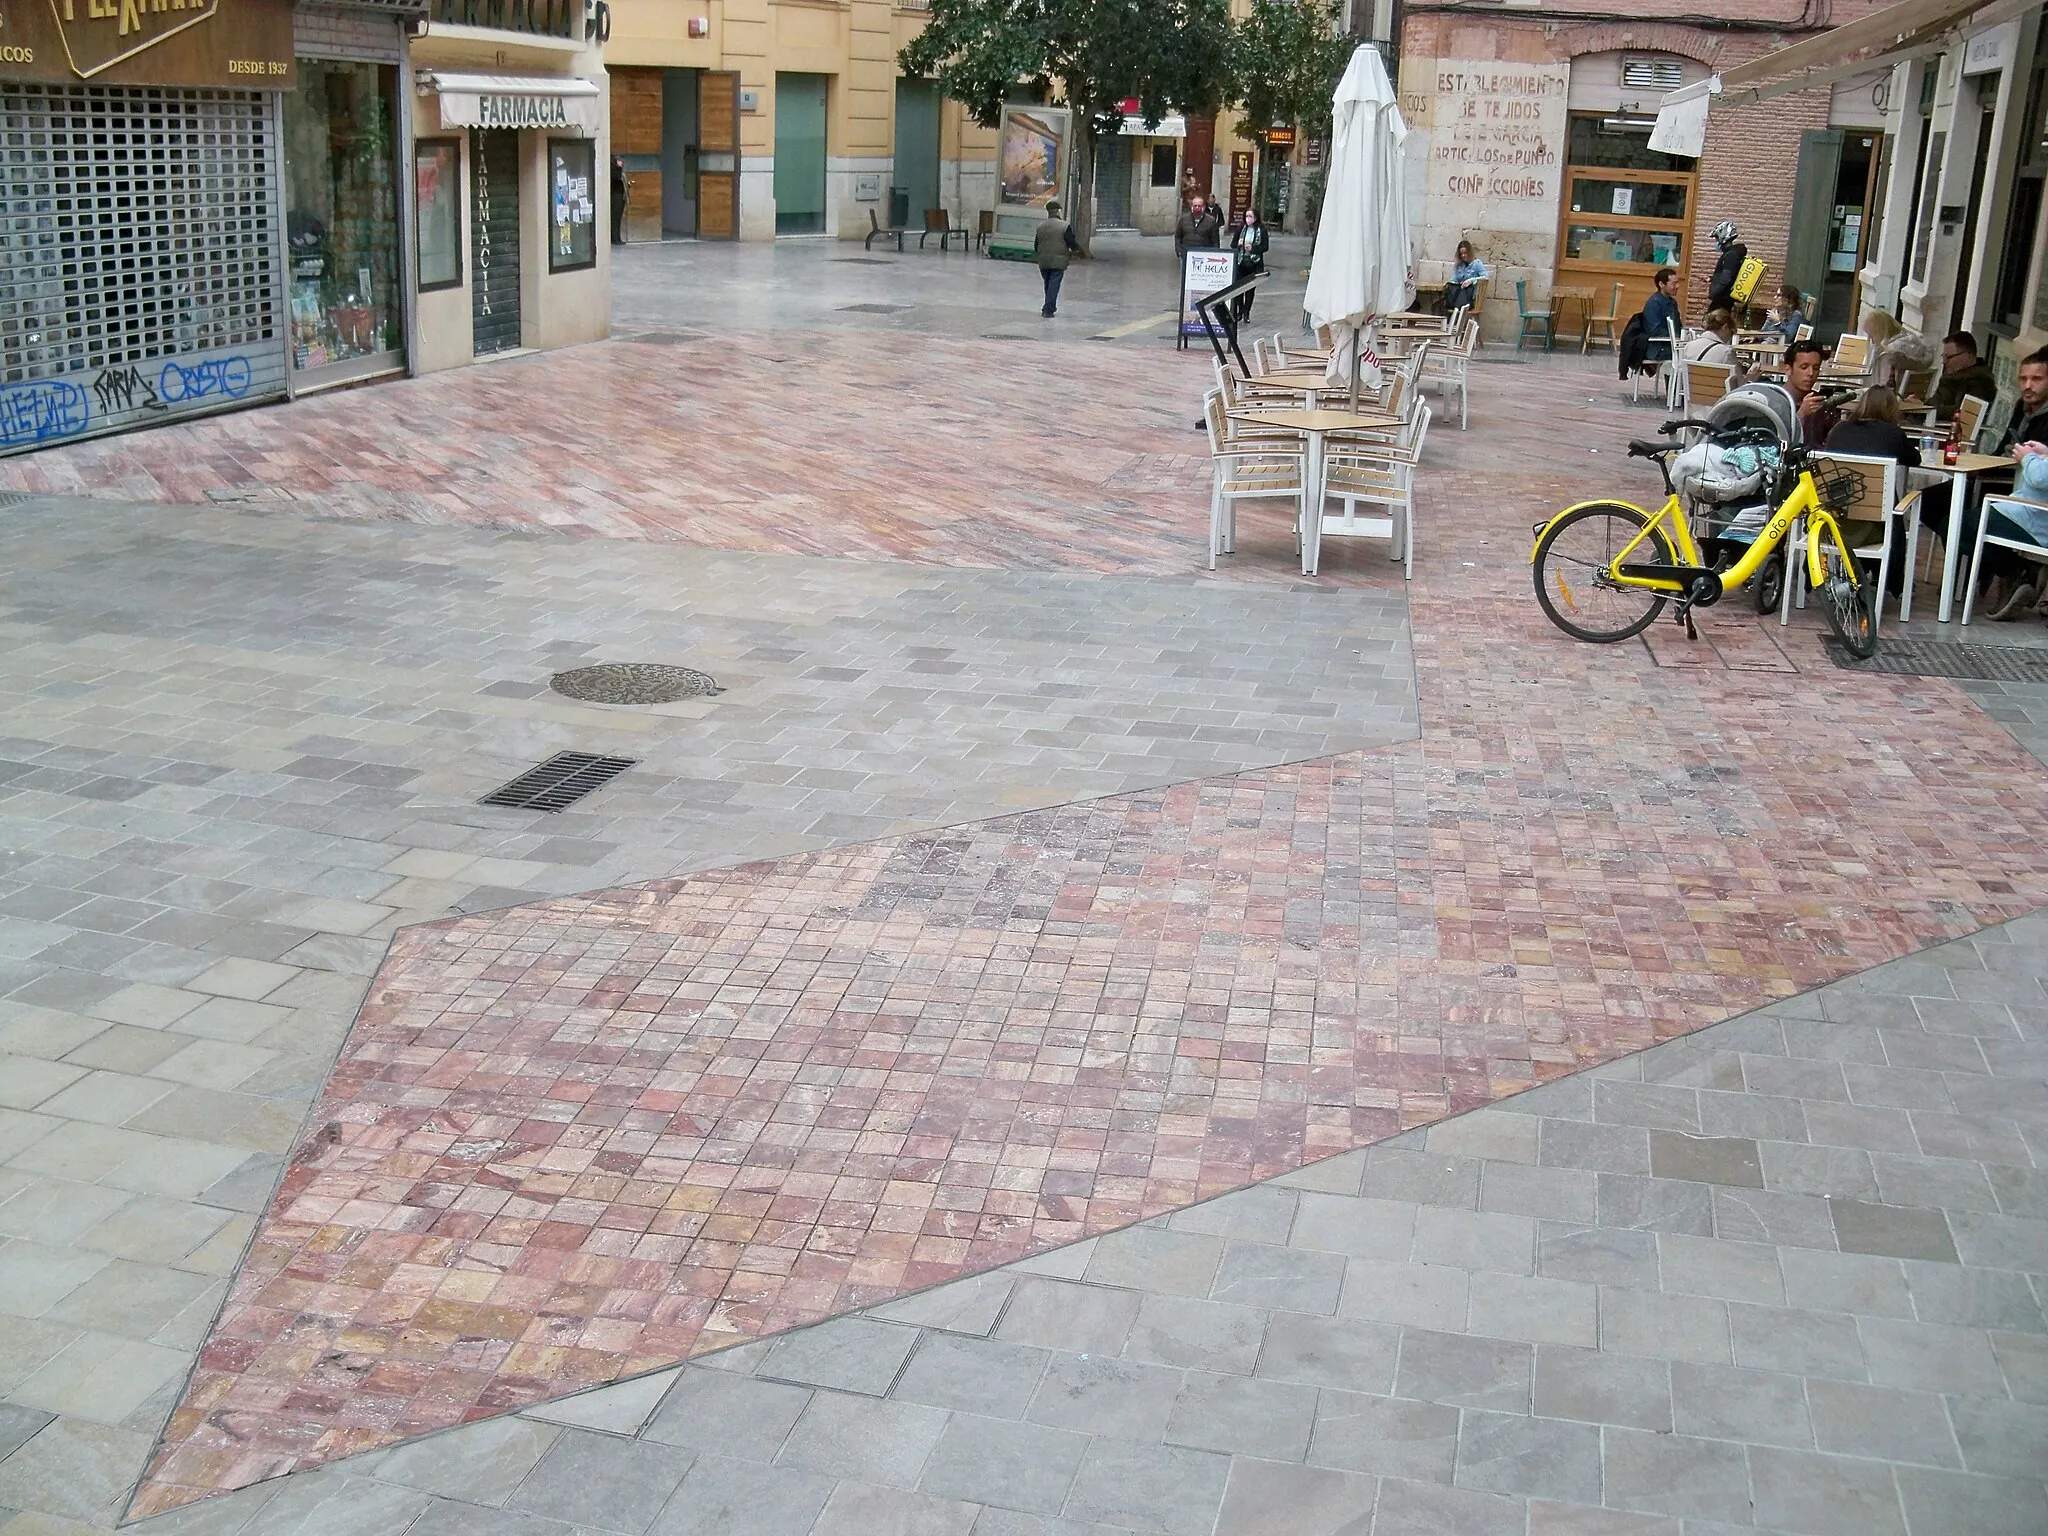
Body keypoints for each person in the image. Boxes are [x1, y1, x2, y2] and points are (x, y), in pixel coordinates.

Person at [1917, 330, 1999, 420]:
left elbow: (1961, 413)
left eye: (1949, 357)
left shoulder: (1979, 383)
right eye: (1943, 356)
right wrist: (1920, 405)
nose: (1944, 361)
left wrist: (1925, 407)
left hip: (1940, 427)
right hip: (1928, 419)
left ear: (1966, 356)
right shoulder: (1953, 374)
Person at [1784, 337, 1841, 444]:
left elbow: (1836, 440)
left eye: (1815, 368)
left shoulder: (1820, 403)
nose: (1810, 373)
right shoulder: (1776, 401)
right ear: (1788, 370)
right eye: (1804, 367)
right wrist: (1801, 414)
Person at [1034, 200, 1077, 317]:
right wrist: (1076, 251)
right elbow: (1071, 242)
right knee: (1054, 283)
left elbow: (1036, 245)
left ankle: (1049, 305)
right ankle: (1048, 308)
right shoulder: (1064, 226)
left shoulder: (1040, 226)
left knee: (1047, 283)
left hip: (1043, 260)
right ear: (1058, 211)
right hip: (1058, 260)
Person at [1229, 208, 1268, 321]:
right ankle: (1240, 310)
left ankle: (1247, 313)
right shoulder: (1241, 228)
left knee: (1250, 290)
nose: (1248, 219)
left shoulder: (1261, 230)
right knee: (1239, 289)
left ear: (1255, 218)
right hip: (1241, 262)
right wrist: (1238, 244)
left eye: (1250, 216)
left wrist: (1253, 248)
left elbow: (1265, 247)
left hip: (1254, 263)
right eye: (1246, 216)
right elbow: (1233, 245)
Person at [1705, 221, 1747, 313]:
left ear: (1723, 237)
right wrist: (1713, 279)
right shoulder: (1731, 254)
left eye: (1716, 238)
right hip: (1724, 300)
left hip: (1723, 301)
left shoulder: (1731, 255)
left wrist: (1714, 294)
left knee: (1714, 325)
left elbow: (1727, 278)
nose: (1716, 241)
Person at [1642, 267, 1681, 363]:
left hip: (1671, 344)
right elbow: (1655, 330)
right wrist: (1676, 337)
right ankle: (1675, 378)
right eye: (1673, 283)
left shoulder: (1672, 302)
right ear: (1661, 284)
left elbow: (1678, 326)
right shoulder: (1654, 303)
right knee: (1687, 356)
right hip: (1658, 348)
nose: (1677, 286)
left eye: (1677, 282)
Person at [1444, 240, 1488, 315]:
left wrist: (1471, 281)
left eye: (1465, 253)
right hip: (1460, 296)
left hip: (1470, 297)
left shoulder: (1477, 264)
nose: (1463, 256)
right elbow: (1454, 279)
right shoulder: (1459, 266)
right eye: (1461, 254)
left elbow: (1485, 277)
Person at [1174, 195, 1221, 260]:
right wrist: (1179, 251)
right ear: (1191, 207)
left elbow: (1215, 241)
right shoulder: (1183, 219)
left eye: (1199, 206)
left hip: (1204, 255)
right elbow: (1178, 236)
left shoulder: (1211, 221)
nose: (1197, 207)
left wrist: (1214, 255)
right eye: (1195, 206)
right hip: (1186, 254)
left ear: (1203, 207)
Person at [610, 156, 627, 246]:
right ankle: (615, 238)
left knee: (617, 218)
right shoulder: (614, 170)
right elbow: (616, 177)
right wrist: (619, 168)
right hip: (616, 195)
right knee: (615, 218)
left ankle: (616, 237)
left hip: (618, 195)